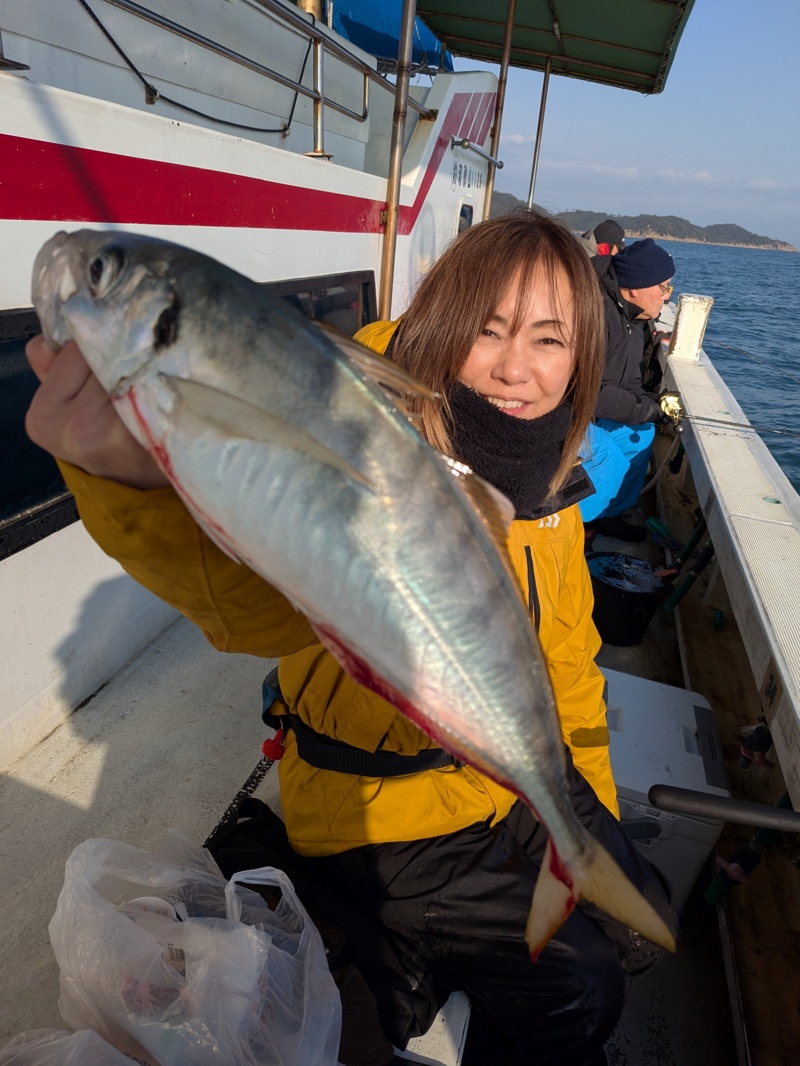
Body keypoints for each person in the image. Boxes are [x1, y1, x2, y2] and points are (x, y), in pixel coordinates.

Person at [24, 213, 676, 1066]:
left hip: (498, 787)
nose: (518, 368)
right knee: (583, 987)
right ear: (443, 320)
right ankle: (373, 930)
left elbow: (568, 671)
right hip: (382, 813)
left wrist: (586, 814)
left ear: (582, 358)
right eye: (489, 329)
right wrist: (124, 480)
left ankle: (431, 929)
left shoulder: (551, 477)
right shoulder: (361, 419)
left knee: (645, 929)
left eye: (550, 339)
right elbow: (252, 608)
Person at [578, 237, 677, 541]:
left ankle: (608, 513)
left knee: (642, 435)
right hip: (568, 412)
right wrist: (642, 408)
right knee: (609, 458)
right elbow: (588, 393)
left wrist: (651, 404)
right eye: (664, 288)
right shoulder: (598, 314)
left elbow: (629, 381)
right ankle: (574, 524)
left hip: (596, 411)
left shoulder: (634, 319)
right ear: (636, 287)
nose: (667, 298)